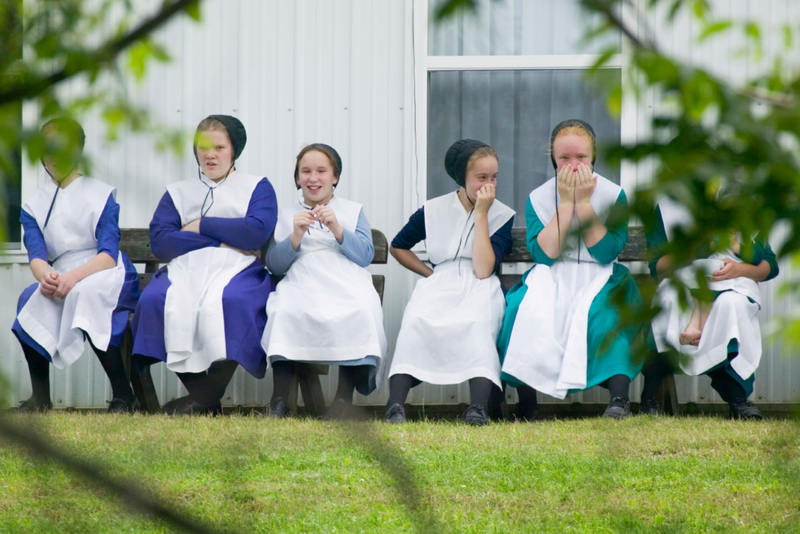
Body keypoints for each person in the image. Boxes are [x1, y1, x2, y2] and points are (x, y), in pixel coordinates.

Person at [131, 115, 278, 415]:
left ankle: (202, 398)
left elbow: (256, 231)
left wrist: (199, 225)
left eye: (219, 147)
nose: (210, 155)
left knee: (234, 302)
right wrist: (222, 241)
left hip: (239, 270)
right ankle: (206, 397)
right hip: (185, 269)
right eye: (203, 147)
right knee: (156, 300)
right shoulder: (177, 192)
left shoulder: (257, 187)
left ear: (234, 150)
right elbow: (161, 242)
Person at [497, 120, 643, 420]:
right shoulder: (539, 197)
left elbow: (605, 252)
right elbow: (544, 255)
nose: (573, 166)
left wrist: (585, 203)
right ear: (553, 159)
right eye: (564, 158)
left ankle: (619, 399)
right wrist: (565, 204)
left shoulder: (614, 195)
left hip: (601, 276)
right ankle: (527, 403)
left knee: (608, 317)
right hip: (552, 275)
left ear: (593, 158)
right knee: (523, 310)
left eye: (581, 158)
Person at [12, 118, 140, 413]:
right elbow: (36, 254)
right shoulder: (33, 205)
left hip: (104, 271)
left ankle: (124, 394)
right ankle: (40, 398)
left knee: (86, 294)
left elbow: (108, 253)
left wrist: (73, 279)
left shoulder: (101, 194)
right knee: (31, 298)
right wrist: (47, 278)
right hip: (60, 273)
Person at [385, 139, 515, 425]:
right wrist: (430, 274)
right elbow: (398, 246)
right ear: (461, 177)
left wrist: (481, 213)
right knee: (415, 321)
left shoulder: (501, 215)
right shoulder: (433, 210)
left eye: (493, 177)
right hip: (439, 282)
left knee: (476, 324)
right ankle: (395, 406)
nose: (488, 184)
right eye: (481, 178)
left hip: (479, 284)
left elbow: (483, 269)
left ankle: (477, 407)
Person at [262, 144, 386, 419]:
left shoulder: (353, 210)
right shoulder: (284, 215)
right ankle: (279, 400)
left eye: (321, 171)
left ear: (335, 177)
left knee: (361, 310)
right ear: (297, 178)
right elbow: (274, 264)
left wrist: (338, 228)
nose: (313, 178)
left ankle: (342, 401)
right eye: (306, 171)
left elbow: (365, 255)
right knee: (284, 311)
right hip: (302, 280)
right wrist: (295, 235)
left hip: (345, 280)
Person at [640, 196, 778, 419]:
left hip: (734, 282)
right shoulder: (667, 206)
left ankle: (738, 400)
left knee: (730, 305)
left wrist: (739, 267)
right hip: (683, 276)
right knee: (670, 301)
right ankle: (650, 398)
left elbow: (769, 265)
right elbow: (657, 266)